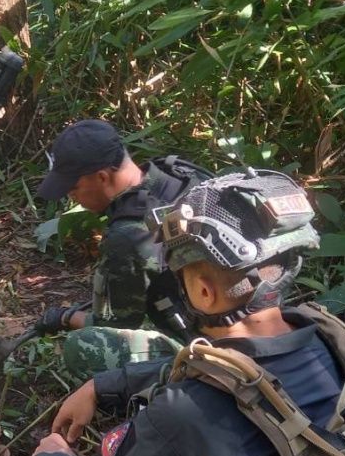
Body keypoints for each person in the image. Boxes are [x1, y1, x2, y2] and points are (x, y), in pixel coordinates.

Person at [1, 169, 345, 456]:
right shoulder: (328, 342)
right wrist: (104, 386)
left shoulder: (191, 414)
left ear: (202, 290)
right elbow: (223, 370)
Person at [31, 119, 210, 376]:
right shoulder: (177, 173)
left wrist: (64, 317)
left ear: (102, 176)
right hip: (240, 311)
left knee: (84, 347)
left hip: (205, 343)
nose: (72, 197)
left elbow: (109, 326)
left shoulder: (128, 234)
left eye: (74, 189)